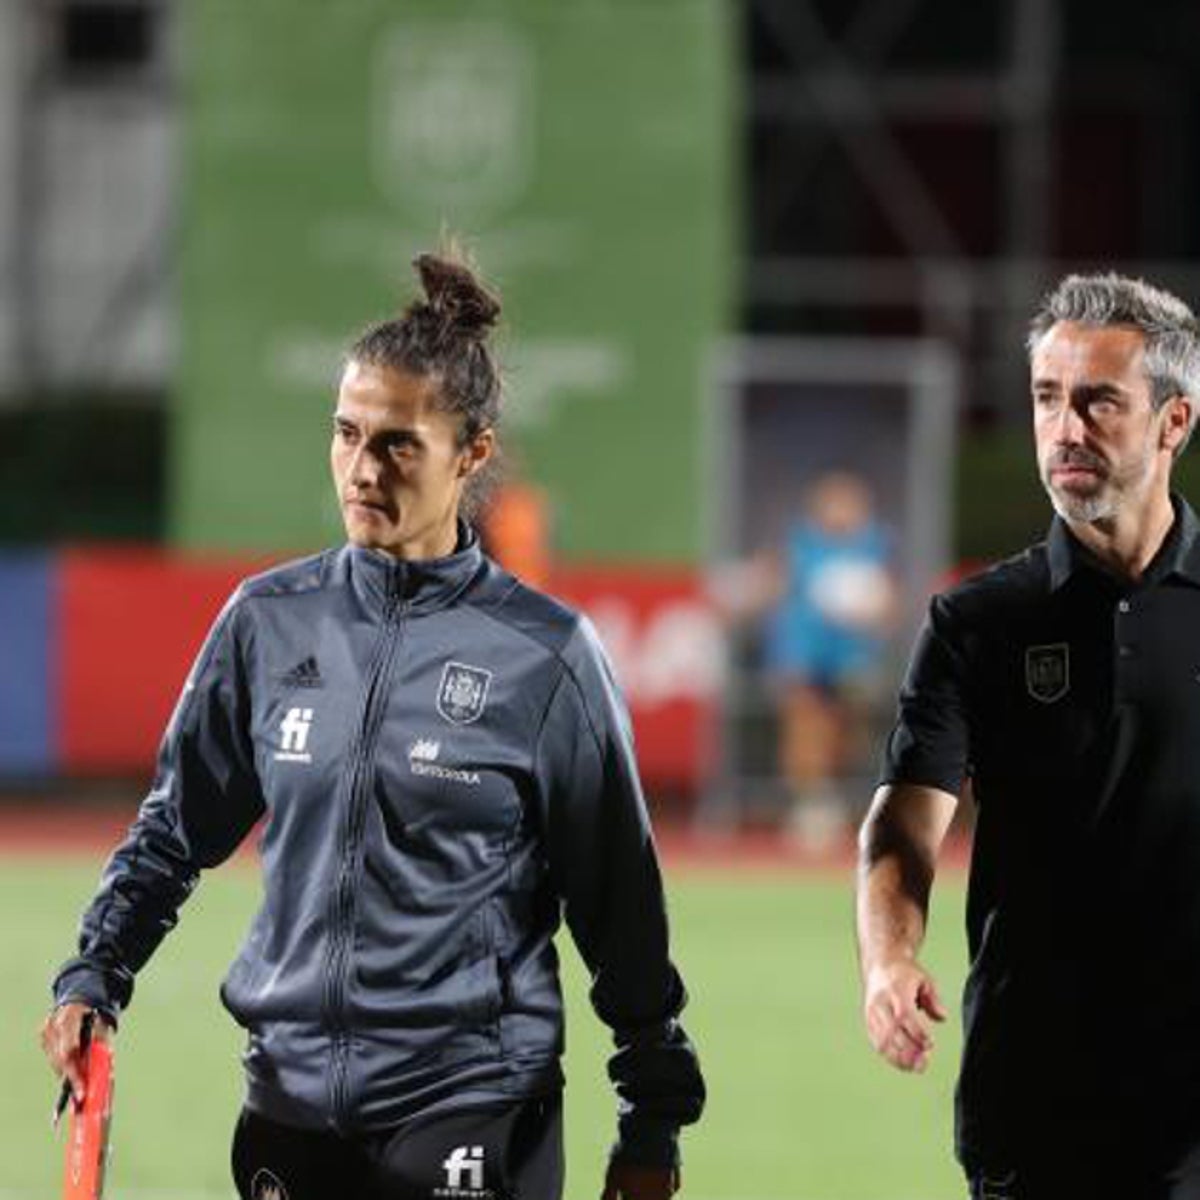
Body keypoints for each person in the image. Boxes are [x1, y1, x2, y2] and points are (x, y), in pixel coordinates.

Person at [40, 248, 704, 1200]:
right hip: (289, 1100)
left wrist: (652, 1120)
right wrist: (94, 972)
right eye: (346, 434)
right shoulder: (268, 622)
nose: (361, 468)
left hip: (475, 1096)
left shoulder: (546, 656)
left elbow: (620, 904)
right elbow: (174, 831)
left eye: (397, 444)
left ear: (471, 455)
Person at [856, 272, 1200, 1199]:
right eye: (1049, 398)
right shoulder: (979, 622)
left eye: (1099, 402)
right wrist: (888, 957)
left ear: (1175, 422)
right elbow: (903, 818)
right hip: (1034, 1098)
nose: (1065, 428)